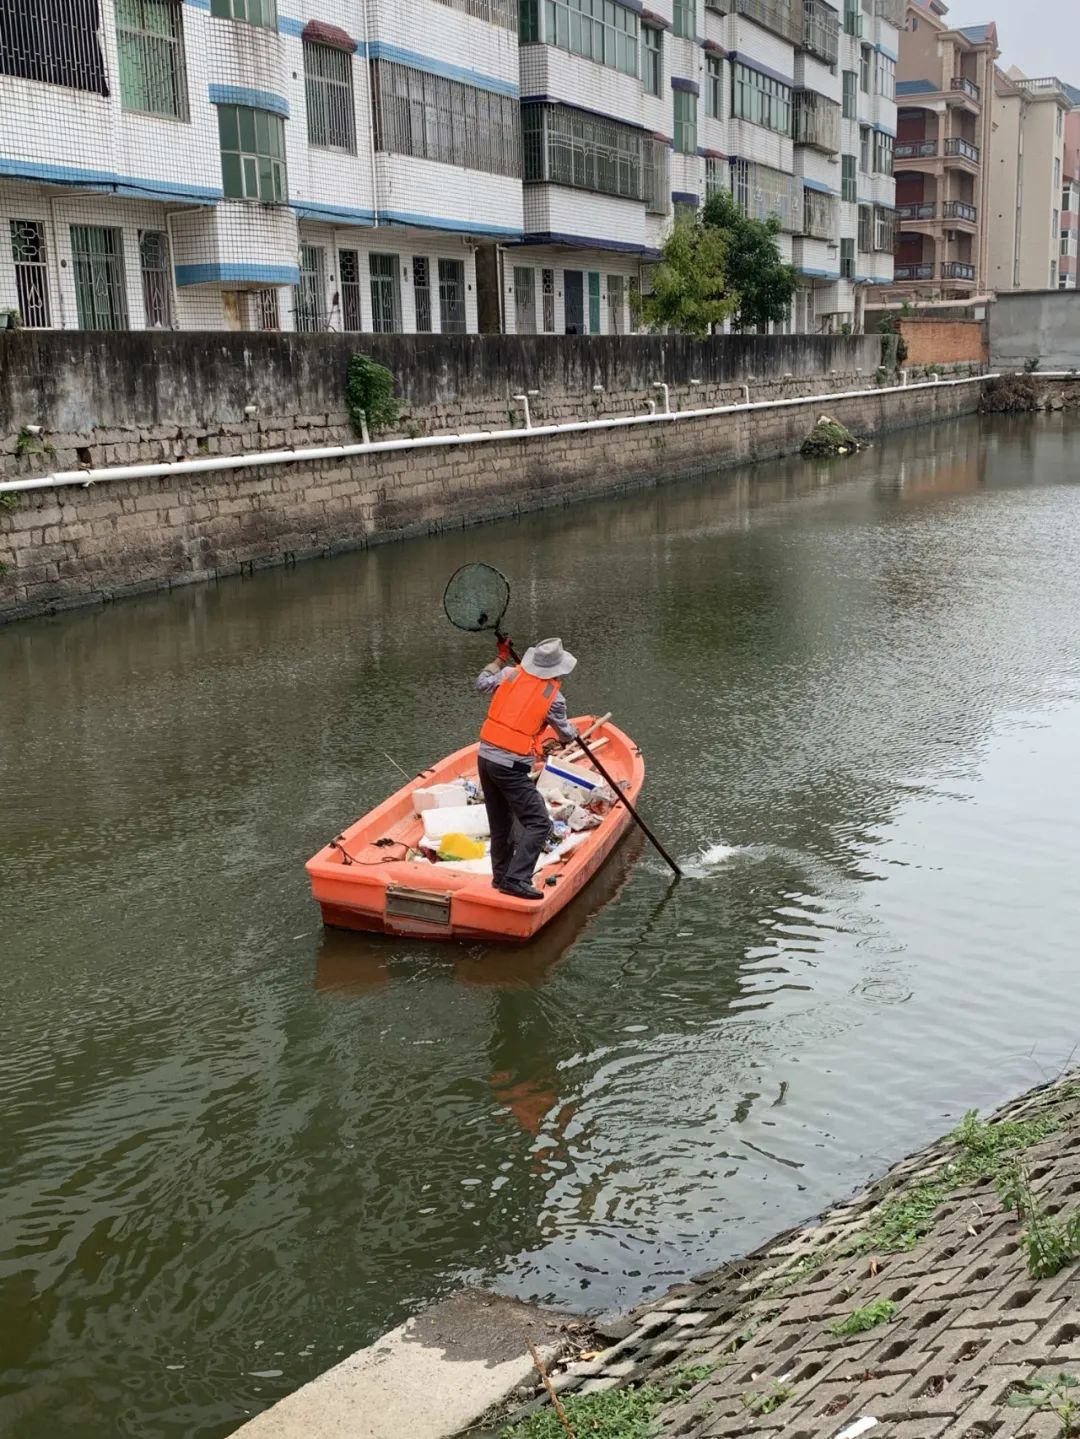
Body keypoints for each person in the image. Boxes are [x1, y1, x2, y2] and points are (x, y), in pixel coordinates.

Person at [475, 637, 578, 901]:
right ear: (557, 669)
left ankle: (501, 877)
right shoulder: (554, 697)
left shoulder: (509, 673)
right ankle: (517, 879)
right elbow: (565, 734)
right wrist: (574, 733)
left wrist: (500, 657)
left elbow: (482, 682)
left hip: (485, 758)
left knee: (501, 824)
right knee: (539, 823)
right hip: (510, 765)